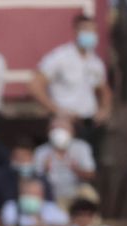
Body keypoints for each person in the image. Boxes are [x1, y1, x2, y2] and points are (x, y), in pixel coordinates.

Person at [33, 14, 111, 151]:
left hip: (88, 123)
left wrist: (104, 110)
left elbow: (103, 89)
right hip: (65, 123)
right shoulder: (60, 57)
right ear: (75, 32)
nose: (90, 34)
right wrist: (55, 110)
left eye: (93, 31)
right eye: (86, 30)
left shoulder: (95, 61)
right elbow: (35, 85)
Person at [34, 113, 95, 205]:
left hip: (75, 191)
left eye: (63, 128)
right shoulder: (41, 151)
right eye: (55, 128)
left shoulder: (82, 147)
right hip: (52, 194)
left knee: (88, 193)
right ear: (48, 132)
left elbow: (91, 175)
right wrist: (45, 170)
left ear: (72, 131)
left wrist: (76, 170)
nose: (59, 132)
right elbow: (34, 180)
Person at [0, 175, 67, 226]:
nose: (32, 197)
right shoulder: (11, 206)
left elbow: (64, 221)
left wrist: (41, 220)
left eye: (35, 194)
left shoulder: (50, 206)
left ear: (42, 195)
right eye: (28, 193)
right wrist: (34, 221)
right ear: (21, 194)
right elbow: (10, 223)